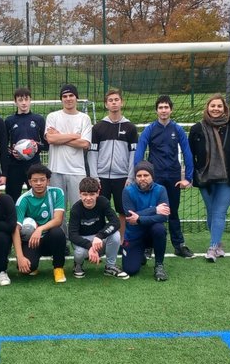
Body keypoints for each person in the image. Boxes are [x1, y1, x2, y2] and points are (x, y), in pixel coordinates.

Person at [189, 94, 230, 262]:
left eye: (219, 106)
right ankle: (218, 243)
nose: (216, 109)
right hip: (205, 179)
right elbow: (190, 154)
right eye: (212, 106)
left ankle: (212, 247)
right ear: (207, 108)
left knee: (219, 212)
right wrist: (195, 172)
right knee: (211, 213)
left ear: (224, 109)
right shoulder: (197, 129)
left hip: (227, 179)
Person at [134, 95, 195, 258]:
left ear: (171, 110)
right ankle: (148, 246)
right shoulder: (150, 129)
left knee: (172, 211)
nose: (163, 110)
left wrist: (188, 177)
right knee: (151, 212)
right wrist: (138, 173)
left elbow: (188, 152)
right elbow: (140, 150)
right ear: (156, 110)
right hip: (155, 177)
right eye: (160, 107)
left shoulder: (177, 129)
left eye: (166, 107)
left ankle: (179, 244)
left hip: (174, 176)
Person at [88, 88, 137, 239]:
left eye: (116, 100)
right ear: (106, 104)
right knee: (99, 210)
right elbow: (92, 153)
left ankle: (122, 241)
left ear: (122, 102)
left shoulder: (130, 127)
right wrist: (94, 176)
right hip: (101, 177)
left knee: (123, 210)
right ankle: (99, 241)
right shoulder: (98, 127)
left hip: (122, 177)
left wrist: (130, 177)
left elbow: (133, 155)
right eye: (110, 100)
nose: (114, 103)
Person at [15, 164, 68, 283]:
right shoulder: (23, 199)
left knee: (57, 232)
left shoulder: (57, 192)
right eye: (35, 180)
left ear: (48, 181)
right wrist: (20, 257)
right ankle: (34, 263)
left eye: (42, 180)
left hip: (49, 238)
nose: (39, 183)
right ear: (29, 182)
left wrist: (39, 229)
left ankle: (58, 268)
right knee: (26, 269)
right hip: (31, 241)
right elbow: (16, 229)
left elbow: (58, 220)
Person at [68, 177, 129, 280]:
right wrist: (89, 246)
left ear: (98, 193)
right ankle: (78, 265)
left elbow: (116, 222)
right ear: (80, 193)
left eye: (92, 194)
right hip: (84, 240)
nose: (88, 198)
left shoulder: (103, 202)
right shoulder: (76, 209)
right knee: (79, 253)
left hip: (99, 239)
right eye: (85, 194)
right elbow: (72, 235)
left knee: (115, 235)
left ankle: (110, 266)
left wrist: (99, 236)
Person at [45, 84, 92, 214]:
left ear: (76, 98)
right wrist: (74, 136)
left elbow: (84, 144)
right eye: (65, 96)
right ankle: (61, 235)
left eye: (71, 95)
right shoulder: (52, 116)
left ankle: (77, 235)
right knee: (57, 211)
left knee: (79, 209)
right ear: (61, 99)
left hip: (77, 171)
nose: (68, 98)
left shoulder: (84, 118)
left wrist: (59, 136)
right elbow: (51, 139)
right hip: (55, 170)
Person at [121, 161, 170, 281]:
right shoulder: (127, 191)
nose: (142, 178)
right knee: (130, 270)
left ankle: (159, 265)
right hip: (134, 234)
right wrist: (155, 209)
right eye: (139, 176)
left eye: (146, 175)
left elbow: (164, 217)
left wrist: (139, 218)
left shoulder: (161, 190)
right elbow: (129, 217)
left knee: (159, 228)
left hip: (152, 232)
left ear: (152, 176)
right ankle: (140, 254)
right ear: (135, 177)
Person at [4, 87, 47, 202]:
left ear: (30, 100)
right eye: (20, 100)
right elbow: (4, 146)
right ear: (15, 102)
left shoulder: (38, 119)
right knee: (12, 199)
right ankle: (14, 220)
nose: (23, 103)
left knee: (36, 197)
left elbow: (46, 145)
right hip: (14, 166)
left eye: (26, 99)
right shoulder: (9, 121)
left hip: (33, 166)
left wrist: (37, 146)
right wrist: (12, 152)